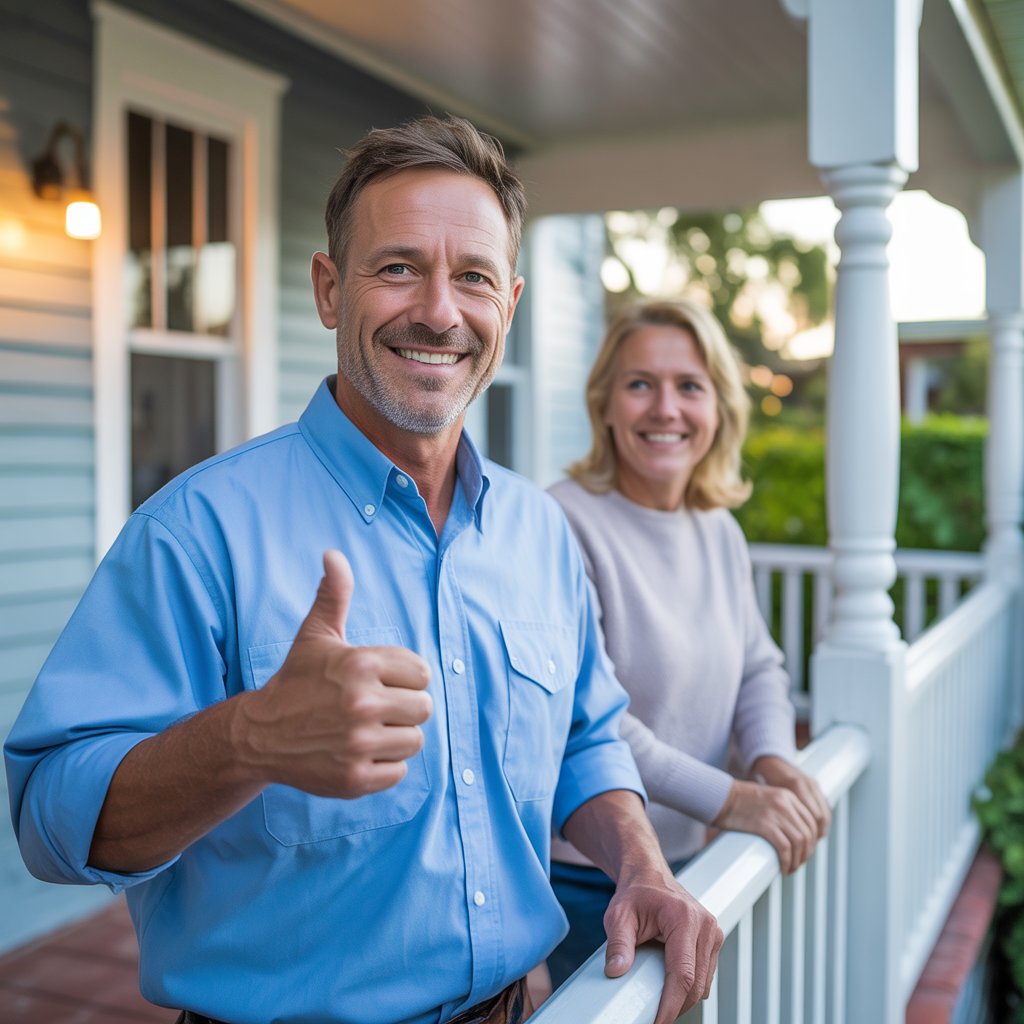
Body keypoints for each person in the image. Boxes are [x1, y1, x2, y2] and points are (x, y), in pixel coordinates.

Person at [4, 117, 721, 1024]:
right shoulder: (197, 531)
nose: (439, 310)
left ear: (510, 302)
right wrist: (248, 739)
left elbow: (587, 738)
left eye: (473, 277)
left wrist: (643, 869)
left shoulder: (538, 531)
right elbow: (49, 822)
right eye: (397, 268)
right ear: (329, 289)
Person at [545, 298, 832, 987]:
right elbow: (595, 724)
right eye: (640, 384)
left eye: (689, 386)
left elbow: (759, 666)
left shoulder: (718, 529)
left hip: (694, 859)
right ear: (605, 404)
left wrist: (774, 761)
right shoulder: (560, 523)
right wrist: (733, 801)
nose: (664, 408)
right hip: (588, 881)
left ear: (720, 410)